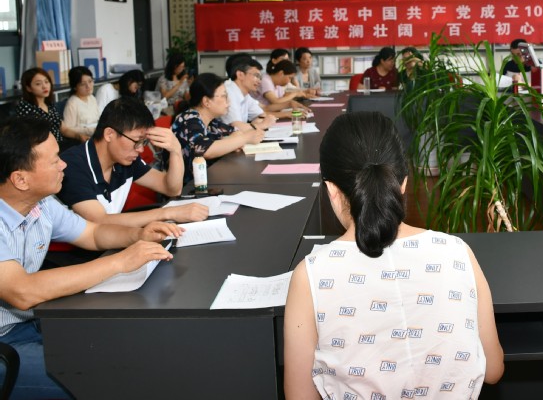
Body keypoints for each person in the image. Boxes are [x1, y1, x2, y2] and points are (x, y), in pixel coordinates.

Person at [284, 112, 504, 399]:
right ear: (403, 184)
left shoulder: (311, 275)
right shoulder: (457, 252)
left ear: (332, 190)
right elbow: (493, 370)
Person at [0, 118, 181, 399]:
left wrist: (138, 235)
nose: (64, 165)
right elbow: (23, 291)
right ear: (20, 179)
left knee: (125, 352)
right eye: (54, 160)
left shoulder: (42, 204)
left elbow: (93, 234)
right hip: (5, 341)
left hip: (35, 321)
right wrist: (119, 262)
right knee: (93, 379)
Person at [56, 97, 207, 228]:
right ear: (109, 134)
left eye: (144, 142)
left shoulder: (125, 158)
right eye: (137, 141)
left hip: (113, 241)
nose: (141, 149)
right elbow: (100, 222)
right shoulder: (71, 165)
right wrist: (168, 213)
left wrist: (175, 151)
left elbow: (171, 189)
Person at [172, 73, 269, 179]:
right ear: (206, 102)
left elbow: (236, 132)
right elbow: (205, 150)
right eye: (224, 96)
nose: (229, 101)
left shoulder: (211, 122)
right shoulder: (188, 119)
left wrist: (233, 141)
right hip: (188, 185)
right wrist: (244, 139)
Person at [15, 67, 82, 146]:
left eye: (46, 82)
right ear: (28, 88)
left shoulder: (49, 104)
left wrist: (80, 136)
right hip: (46, 148)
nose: (44, 86)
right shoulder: (25, 107)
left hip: (60, 143)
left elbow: (64, 129)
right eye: (38, 84)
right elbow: (32, 138)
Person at [221, 56, 274, 132]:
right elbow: (236, 127)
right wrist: (262, 125)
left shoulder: (245, 95)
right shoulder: (228, 92)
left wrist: (257, 124)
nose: (259, 81)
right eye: (256, 76)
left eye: (260, 77)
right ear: (240, 75)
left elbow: (262, 116)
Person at [62, 66, 100, 142]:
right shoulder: (72, 103)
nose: (88, 86)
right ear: (75, 87)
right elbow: (67, 129)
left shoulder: (92, 98)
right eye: (83, 84)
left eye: (90, 81)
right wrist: (88, 130)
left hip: (96, 135)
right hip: (83, 141)